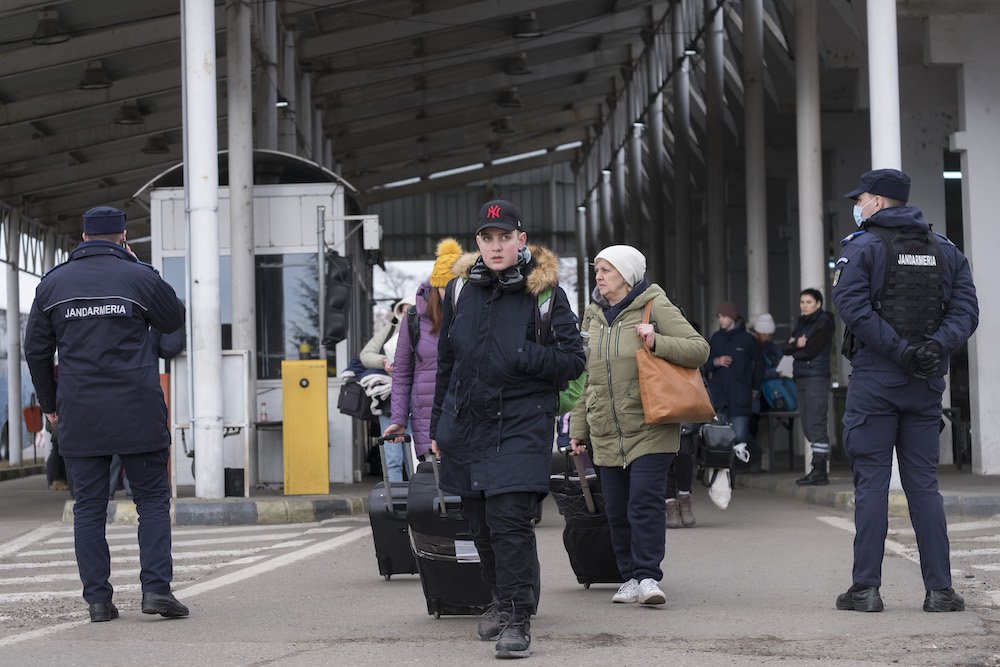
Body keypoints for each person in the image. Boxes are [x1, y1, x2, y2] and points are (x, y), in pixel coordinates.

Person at [430, 199, 584, 659]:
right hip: (467, 423)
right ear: (478, 243)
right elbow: (446, 364)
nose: (496, 246)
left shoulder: (545, 293)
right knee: (478, 522)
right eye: (487, 238)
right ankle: (499, 598)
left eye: (505, 237)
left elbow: (574, 361)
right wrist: (438, 423)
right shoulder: (459, 292)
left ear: (522, 240)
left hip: (520, 421)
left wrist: (521, 355)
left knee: (509, 520)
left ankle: (518, 618)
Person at [24, 206, 189, 623]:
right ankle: (156, 591)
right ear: (123, 236)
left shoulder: (52, 285)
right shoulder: (139, 276)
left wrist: (50, 404)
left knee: (90, 508)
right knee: (151, 500)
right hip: (138, 409)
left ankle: (98, 601)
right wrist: (137, 266)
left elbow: (36, 350)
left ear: (82, 237)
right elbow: (173, 320)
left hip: (80, 412)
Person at [833, 168, 978, 613]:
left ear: (877, 202)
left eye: (861, 199)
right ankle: (939, 591)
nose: (857, 206)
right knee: (924, 488)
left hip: (878, 379)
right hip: (925, 382)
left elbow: (851, 306)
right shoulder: (946, 249)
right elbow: (967, 310)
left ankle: (866, 589)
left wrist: (901, 352)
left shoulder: (864, 247)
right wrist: (934, 348)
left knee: (873, 483)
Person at [569, 245, 709, 604]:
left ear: (627, 275)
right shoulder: (593, 317)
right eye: (596, 270)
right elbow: (590, 379)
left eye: (607, 270)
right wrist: (578, 430)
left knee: (643, 504)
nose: (598, 276)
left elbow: (698, 348)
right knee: (615, 509)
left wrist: (657, 341)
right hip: (605, 429)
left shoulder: (653, 303)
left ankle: (648, 576)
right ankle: (628, 576)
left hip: (650, 425)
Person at [383, 238, 461, 468]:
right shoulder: (415, 318)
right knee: (437, 494)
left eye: (458, 286)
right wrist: (398, 419)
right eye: (447, 286)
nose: (452, 292)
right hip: (427, 421)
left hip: (468, 422)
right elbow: (402, 373)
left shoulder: (473, 314)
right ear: (436, 286)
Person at [109, 329, 184, 500]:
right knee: (139, 445)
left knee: (110, 444)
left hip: (107, 391)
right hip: (142, 391)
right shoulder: (152, 314)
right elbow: (170, 347)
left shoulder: (107, 310)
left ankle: (107, 489)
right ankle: (133, 488)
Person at [702, 302, 766, 467]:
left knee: (740, 436)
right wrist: (716, 361)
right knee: (721, 439)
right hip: (720, 396)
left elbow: (760, 364)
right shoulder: (716, 339)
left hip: (740, 395)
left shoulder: (747, 340)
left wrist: (755, 388)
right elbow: (704, 364)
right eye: (719, 317)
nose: (721, 320)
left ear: (732, 317)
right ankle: (729, 472)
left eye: (724, 316)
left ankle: (753, 458)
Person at [784, 289, 836, 485]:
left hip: (816, 377)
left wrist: (796, 346)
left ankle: (820, 470)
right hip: (802, 377)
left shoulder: (824, 321)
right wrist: (799, 344)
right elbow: (786, 348)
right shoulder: (802, 323)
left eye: (808, 302)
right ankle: (817, 468)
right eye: (802, 302)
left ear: (818, 304)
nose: (804, 305)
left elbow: (811, 351)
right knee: (807, 424)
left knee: (816, 423)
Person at [360, 299, 411, 481]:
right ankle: (397, 498)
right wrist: (384, 362)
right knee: (393, 457)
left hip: (418, 402)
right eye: (403, 311)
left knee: (415, 457)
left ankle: (418, 498)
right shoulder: (391, 329)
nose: (407, 315)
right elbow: (365, 355)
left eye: (411, 310)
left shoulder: (430, 330)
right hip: (391, 398)